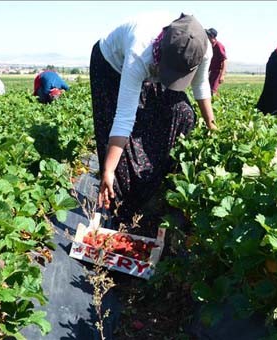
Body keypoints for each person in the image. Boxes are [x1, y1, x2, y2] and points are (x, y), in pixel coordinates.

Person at [90, 13, 216, 226]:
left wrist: (212, 126)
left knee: (183, 114)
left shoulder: (202, 49)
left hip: (158, 62)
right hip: (111, 67)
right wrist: (108, 170)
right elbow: (123, 118)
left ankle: (153, 189)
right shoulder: (140, 51)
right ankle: (120, 210)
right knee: (118, 146)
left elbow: (201, 86)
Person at [205, 28, 227, 96]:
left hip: (218, 72)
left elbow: (224, 60)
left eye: (208, 35)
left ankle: (217, 103)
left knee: (213, 90)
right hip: (212, 71)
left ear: (212, 36)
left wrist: (222, 75)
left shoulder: (219, 46)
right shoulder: (209, 46)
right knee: (208, 89)